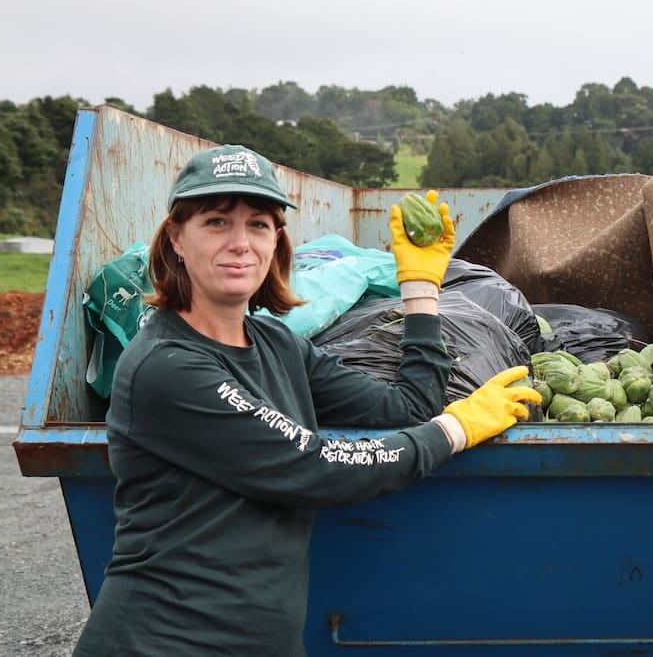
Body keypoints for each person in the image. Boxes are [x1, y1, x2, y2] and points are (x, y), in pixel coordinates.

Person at [72, 144, 541, 656]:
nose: (240, 243)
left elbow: (406, 407)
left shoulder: (276, 344)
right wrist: (455, 430)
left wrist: (421, 288)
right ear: (177, 239)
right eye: (215, 222)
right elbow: (319, 465)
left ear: (276, 241)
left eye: (258, 225)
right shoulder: (167, 367)